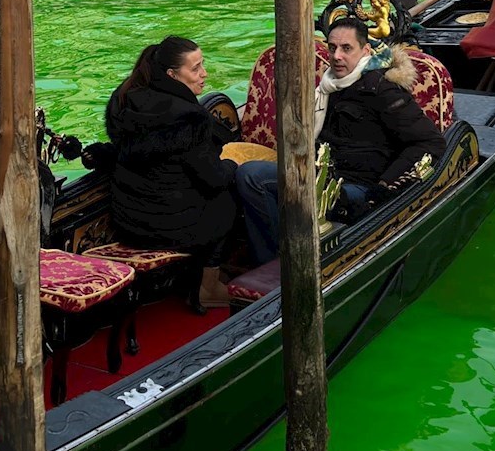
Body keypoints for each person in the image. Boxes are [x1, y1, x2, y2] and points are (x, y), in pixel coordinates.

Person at [236, 16, 445, 265]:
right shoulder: (327, 87)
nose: (336, 56)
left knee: (312, 194)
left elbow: (430, 143)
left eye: (347, 49)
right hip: (319, 175)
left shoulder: (382, 90)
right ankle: (272, 263)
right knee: (250, 175)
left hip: (358, 187)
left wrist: (384, 185)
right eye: (332, 47)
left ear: (365, 51)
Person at [102, 36, 237, 308]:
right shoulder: (189, 118)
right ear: (172, 75)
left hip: (127, 221)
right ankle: (207, 287)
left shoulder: (125, 99)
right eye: (196, 68)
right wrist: (234, 163)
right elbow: (213, 179)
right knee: (226, 201)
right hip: (167, 229)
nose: (204, 74)